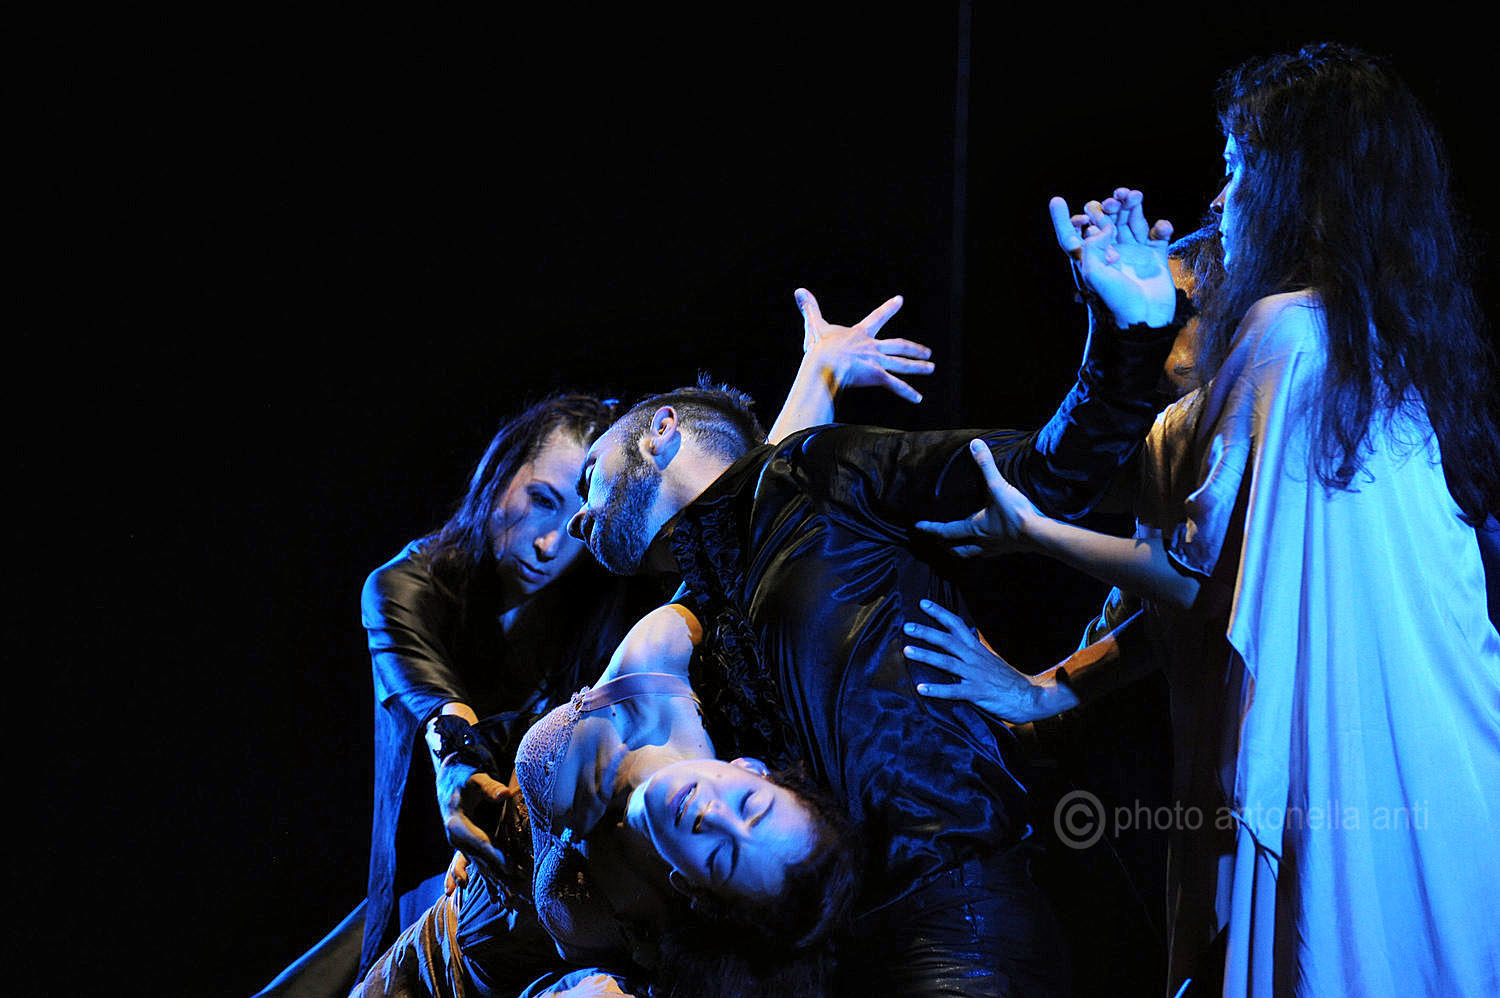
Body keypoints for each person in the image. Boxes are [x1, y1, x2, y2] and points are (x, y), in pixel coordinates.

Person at [908, 43, 1500, 996]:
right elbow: (1213, 588)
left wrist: (1031, 534)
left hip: (1363, 766)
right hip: (1438, 775)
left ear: (1301, 188)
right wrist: (1045, 689)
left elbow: (1194, 577)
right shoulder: (1375, 352)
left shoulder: (1292, 340)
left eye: (1237, 169)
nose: (1219, 202)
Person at [565, 219, 1191, 995]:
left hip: (962, 924)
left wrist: (1127, 335)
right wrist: (816, 373)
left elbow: (1040, 475)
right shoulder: (713, 594)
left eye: (587, 476)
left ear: (660, 433)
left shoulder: (811, 477)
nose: (577, 519)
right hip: (856, 954)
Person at [253, 310, 933, 997]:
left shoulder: (631, 638)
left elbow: (745, 533)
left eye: (725, 853)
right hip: (433, 928)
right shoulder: (631, 660)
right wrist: (818, 374)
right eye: (546, 498)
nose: (558, 538)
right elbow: (743, 528)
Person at [353, 603, 861, 998]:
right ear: (750, 767)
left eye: (723, 859)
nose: (714, 817)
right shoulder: (655, 663)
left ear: (693, 888)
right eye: (750, 804)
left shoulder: (667, 922)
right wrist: (468, 767)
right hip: (426, 937)